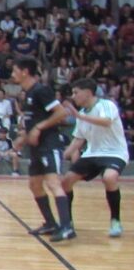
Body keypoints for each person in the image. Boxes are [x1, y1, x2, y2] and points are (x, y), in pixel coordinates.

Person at [11, 57, 73, 241]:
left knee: (53, 183)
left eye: (15, 70)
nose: (12, 74)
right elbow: (34, 121)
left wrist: (39, 128)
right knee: (35, 184)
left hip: (49, 144)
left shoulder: (41, 90)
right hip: (37, 147)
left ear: (25, 72)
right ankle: (51, 223)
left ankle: (67, 227)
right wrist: (23, 138)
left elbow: (61, 113)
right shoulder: (28, 93)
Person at [61, 78, 129, 238]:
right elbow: (78, 140)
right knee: (66, 181)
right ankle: (67, 222)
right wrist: (62, 156)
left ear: (87, 92)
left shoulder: (106, 105)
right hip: (92, 153)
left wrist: (79, 116)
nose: (73, 96)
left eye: (76, 92)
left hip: (114, 152)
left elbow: (106, 122)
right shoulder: (82, 113)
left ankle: (115, 221)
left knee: (109, 178)